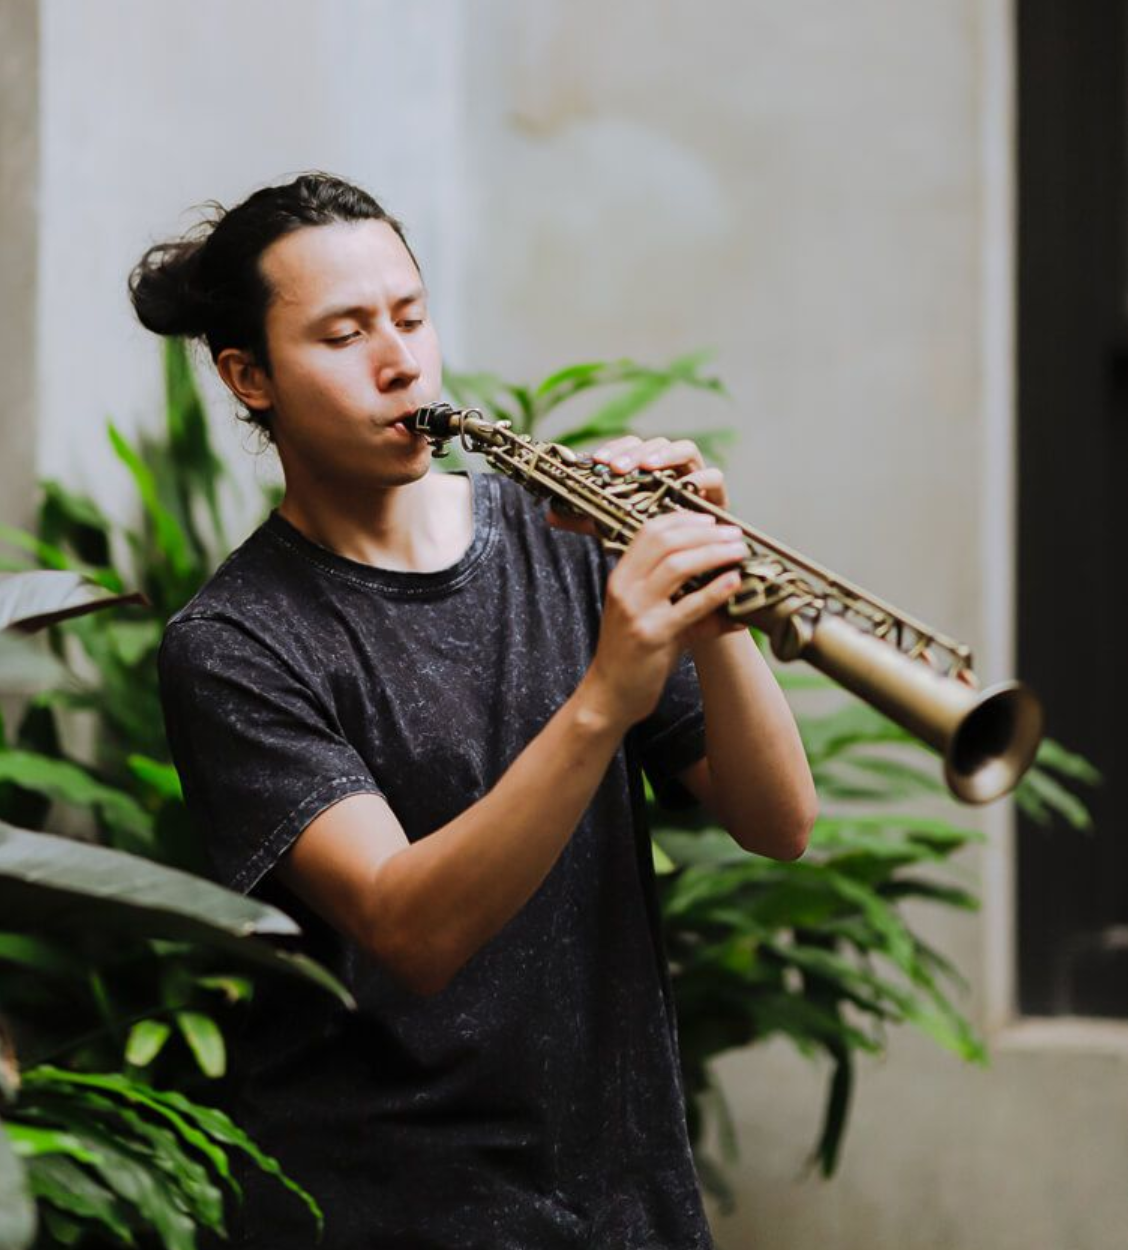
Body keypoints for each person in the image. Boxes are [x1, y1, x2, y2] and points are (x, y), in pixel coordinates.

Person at [139, 171, 816, 1250]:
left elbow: (776, 821)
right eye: (344, 334)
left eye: (410, 317)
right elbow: (410, 927)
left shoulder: (563, 537)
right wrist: (603, 697)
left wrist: (710, 594)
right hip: (387, 1210)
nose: (399, 360)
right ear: (248, 376)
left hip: (622, 1200)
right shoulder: (234, 643)